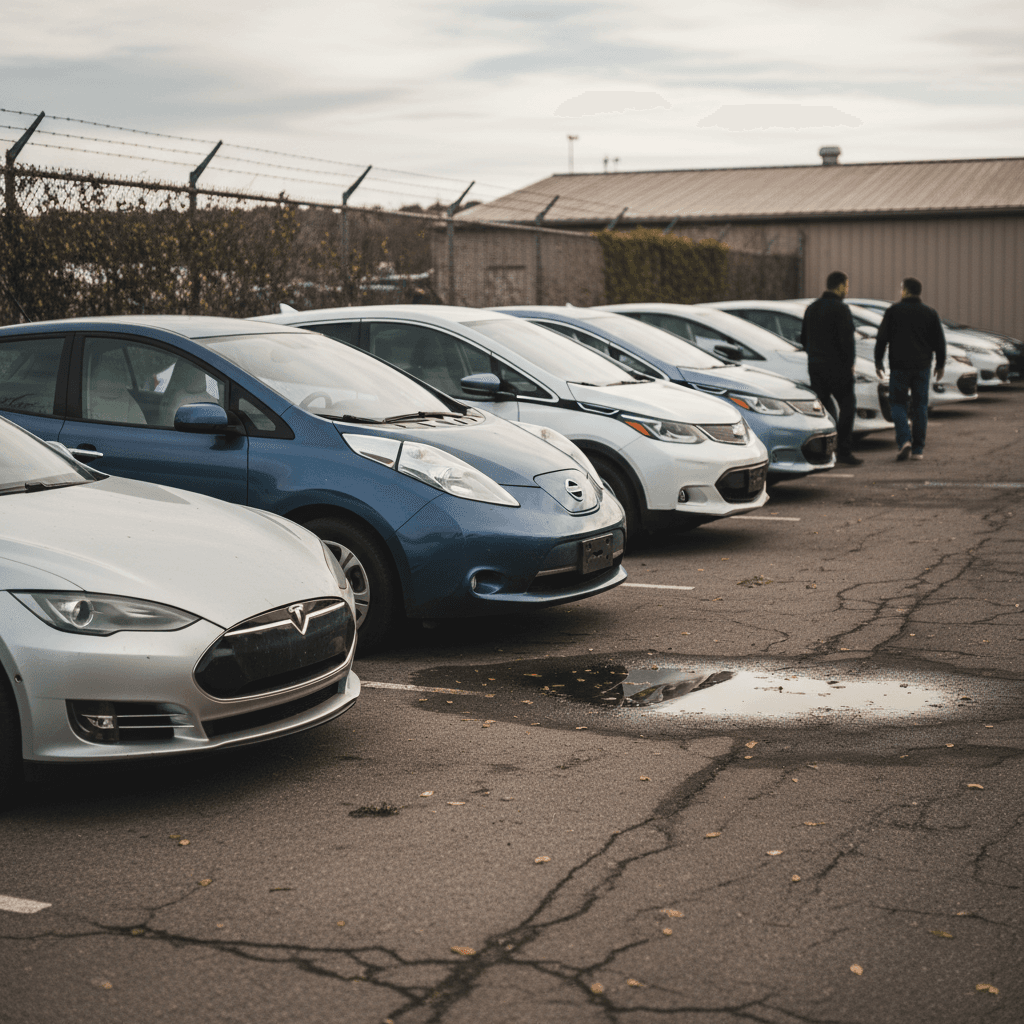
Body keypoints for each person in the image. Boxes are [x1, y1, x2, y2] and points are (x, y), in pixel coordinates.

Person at [874, 277, 945, 461]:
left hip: (899, 367)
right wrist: (940, 364)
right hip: (922, 367)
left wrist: (878, 361)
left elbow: (881, 339)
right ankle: (918, 450)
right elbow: (940, 342)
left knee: (897, 404)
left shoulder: (893, 312)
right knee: (920, 406)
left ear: (905, 290)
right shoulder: (930, 313)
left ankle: (904, 439)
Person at [800, 270, 862, 465]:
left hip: (816, 367)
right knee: (848, 406)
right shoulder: (841, 309)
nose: (847, 290)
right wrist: (850, 363)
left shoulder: (812, 308)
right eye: (847, 286)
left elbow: (803, 338)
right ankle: (844, 450)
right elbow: (847, 341)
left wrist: (814, 354)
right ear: (841, 286)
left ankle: (825, 450)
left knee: (825, 409)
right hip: (838, 368)